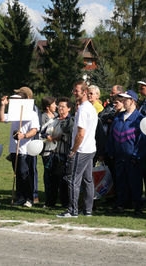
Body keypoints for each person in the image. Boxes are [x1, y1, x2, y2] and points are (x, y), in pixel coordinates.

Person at [57, 81, 98, 218]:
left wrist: (73, 150)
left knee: (73, 180)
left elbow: (81, 134)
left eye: (77, 91)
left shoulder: (83, 109)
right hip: (90, 148)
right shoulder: (91, 108)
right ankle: (87, 210)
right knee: (88, 180)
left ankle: (72, 211)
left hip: (82, 149)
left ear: (84, 92)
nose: (74, 93)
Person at [107, 90, 146, 214]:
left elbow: (143, 140)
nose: (123, 102)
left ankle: (137, 206)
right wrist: (111, 150)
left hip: (133, 158)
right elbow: (111, 135)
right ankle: (121, 204)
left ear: (132, 101)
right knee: (120, 181)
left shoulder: (140, 119)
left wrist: (137, 155)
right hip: (119, 156)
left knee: (135, 182)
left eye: (126, 99)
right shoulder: (118, 117)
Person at [0, 88, 40, 207]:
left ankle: (29, 198)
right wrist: (2, 106)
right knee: (18, 174)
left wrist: (24, 135)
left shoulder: (32, 113)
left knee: (25, 174)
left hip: (26, 149)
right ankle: (21, 197)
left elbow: (35, 130)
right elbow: (1, 119)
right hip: (13, 148)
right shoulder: (14, 112)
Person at [46, 97, 74, 208]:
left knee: (63, 181)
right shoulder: (55, 120)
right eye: (59, 106)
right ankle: (50, 202)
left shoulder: (70, 121)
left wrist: (61, 137)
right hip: (53, 154)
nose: (60, 108)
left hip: (64, 155)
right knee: (52, 180)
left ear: (69, 109)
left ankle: (64, 203)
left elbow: (70, 136)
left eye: (63, 107)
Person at [40, 96, 58, 208]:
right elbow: (40, 131)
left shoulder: (57, 116)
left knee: (56, 175)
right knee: (48, 174)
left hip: (57, 150)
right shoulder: (43, 117)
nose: (55, 106)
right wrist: (47, 136)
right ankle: (48, 200)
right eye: (53, 104)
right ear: (47, 107)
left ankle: (56, 198)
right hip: (47, 150)